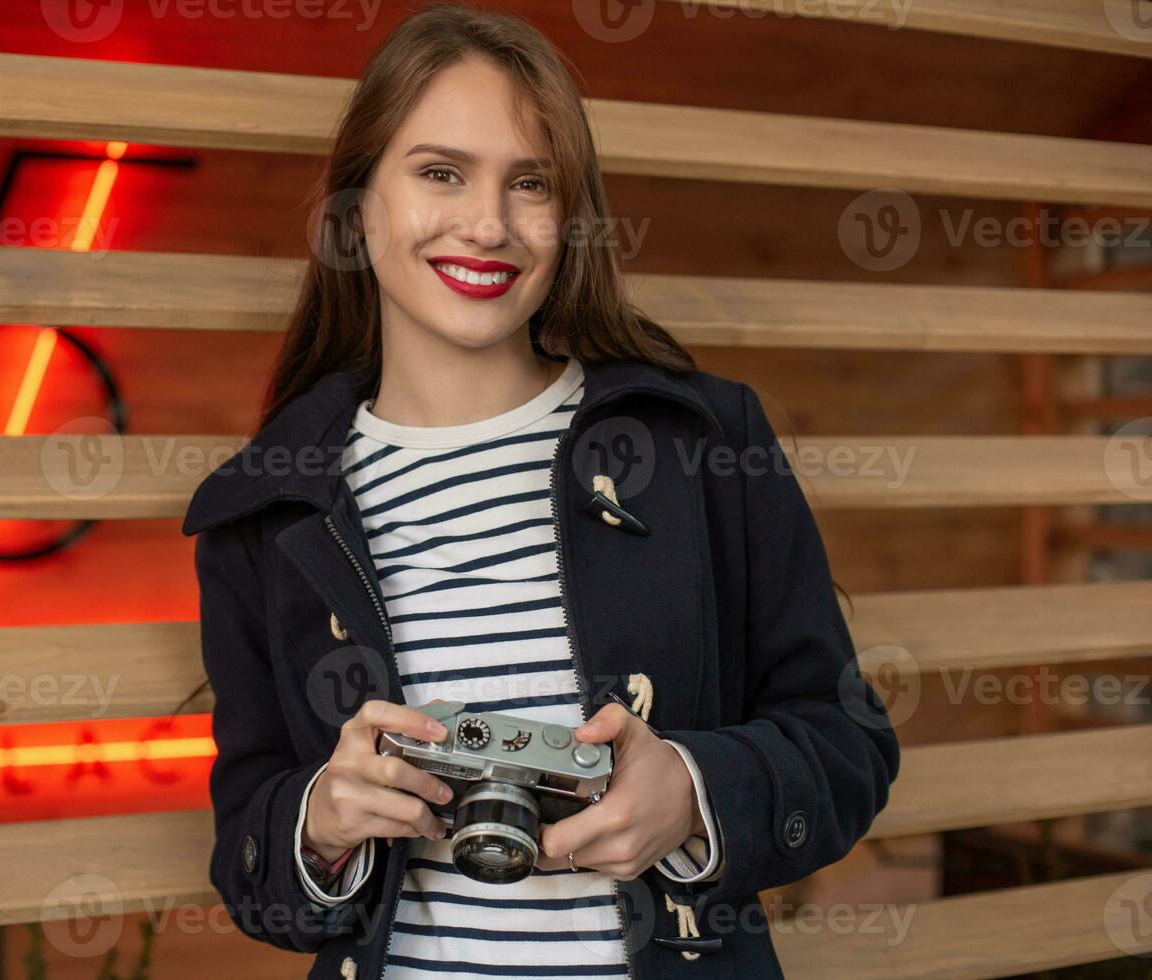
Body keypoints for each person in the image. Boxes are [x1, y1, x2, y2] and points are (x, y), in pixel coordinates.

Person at [181, 4, 901, 978]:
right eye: (441, 172)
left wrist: (690, 791)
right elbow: (249, 857)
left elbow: (844, 741)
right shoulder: (267, 511)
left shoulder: (700, 443)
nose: (488, 223)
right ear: (356, 209)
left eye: (532, 184)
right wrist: (320, 819)